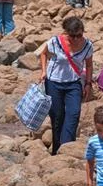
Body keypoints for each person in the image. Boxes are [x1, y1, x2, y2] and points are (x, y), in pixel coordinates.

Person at [39, 17, 94, 155]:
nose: (76, 39)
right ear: (66, 33)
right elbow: (43, 53)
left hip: (74, 83)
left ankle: (66, 148)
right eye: (72, 36)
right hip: (54, 82)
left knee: (74, 113)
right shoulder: (55, 42)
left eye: (79, 35)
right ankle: (56, 149)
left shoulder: (87, 45)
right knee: (57, 116)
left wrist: (88, 83)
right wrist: (44, 71)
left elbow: (89, 64)